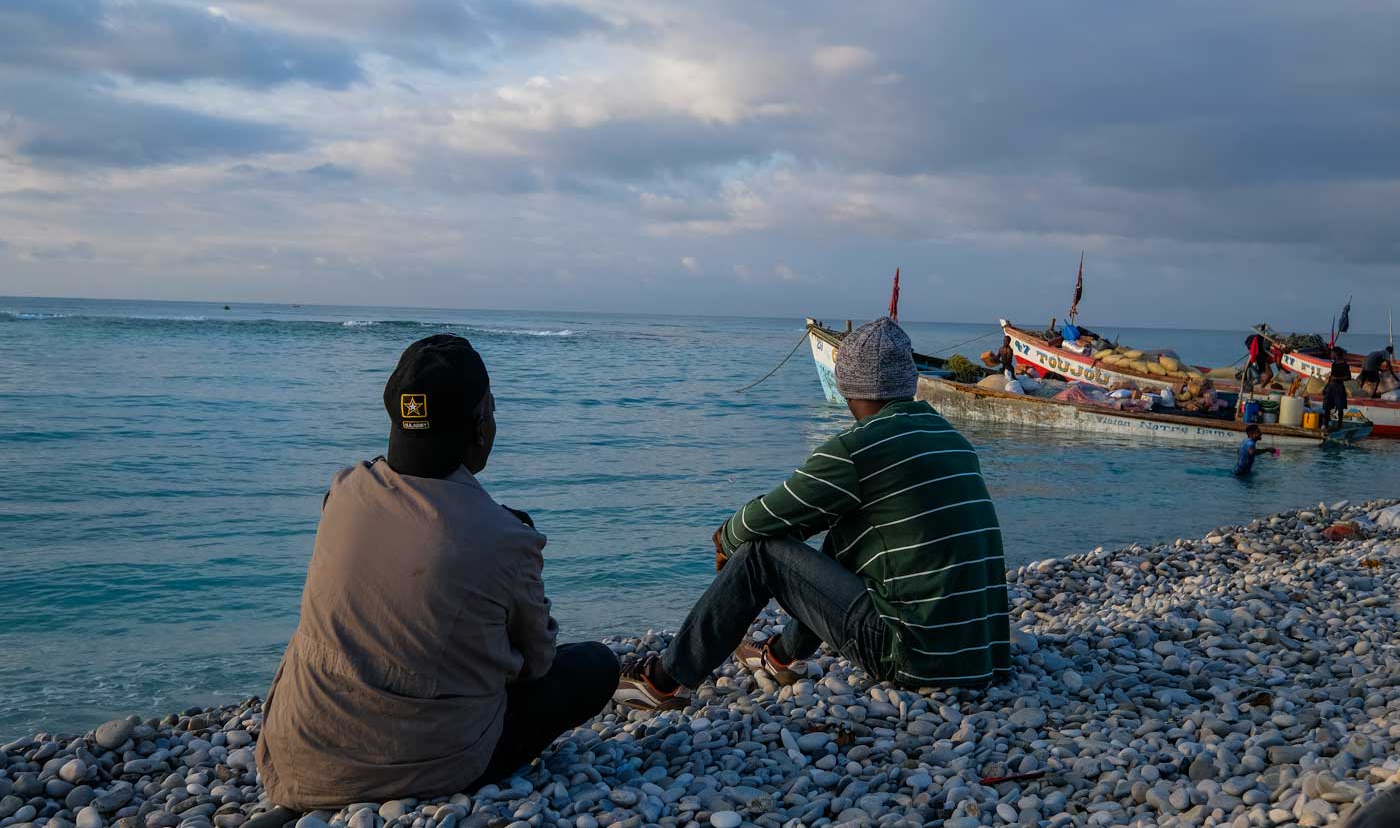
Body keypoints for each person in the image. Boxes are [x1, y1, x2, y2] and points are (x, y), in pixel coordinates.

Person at [251, 335, 619, 823]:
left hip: (295, 754)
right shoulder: (506, 537)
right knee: (595, 665)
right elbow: (537, 662)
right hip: (430, 762)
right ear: (479, 427)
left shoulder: (342, 492)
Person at [613, 318, 1010, 710]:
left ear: (843, 381)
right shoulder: (950, 438)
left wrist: (726, 539)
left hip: (915, 658)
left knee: (760, 552)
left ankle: (666, 681)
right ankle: (783, 656)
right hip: (981, 652)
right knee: (856, 525)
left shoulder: (859, 448)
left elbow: (762, 519)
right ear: (909, 380)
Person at [1323, 346, 1352, 430]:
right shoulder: (1334, 364)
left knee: (1340, 407)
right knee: (1326, 406)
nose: (1331, 354)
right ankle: (1325, 424)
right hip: (1331, 387)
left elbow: (1348, 377)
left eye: (1332, 353)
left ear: (1336, 354)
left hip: (1338, 388)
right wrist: (1326, 387)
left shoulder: (1344, 365)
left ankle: (1339, 425)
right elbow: (1331, 376)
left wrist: (1337, 379)